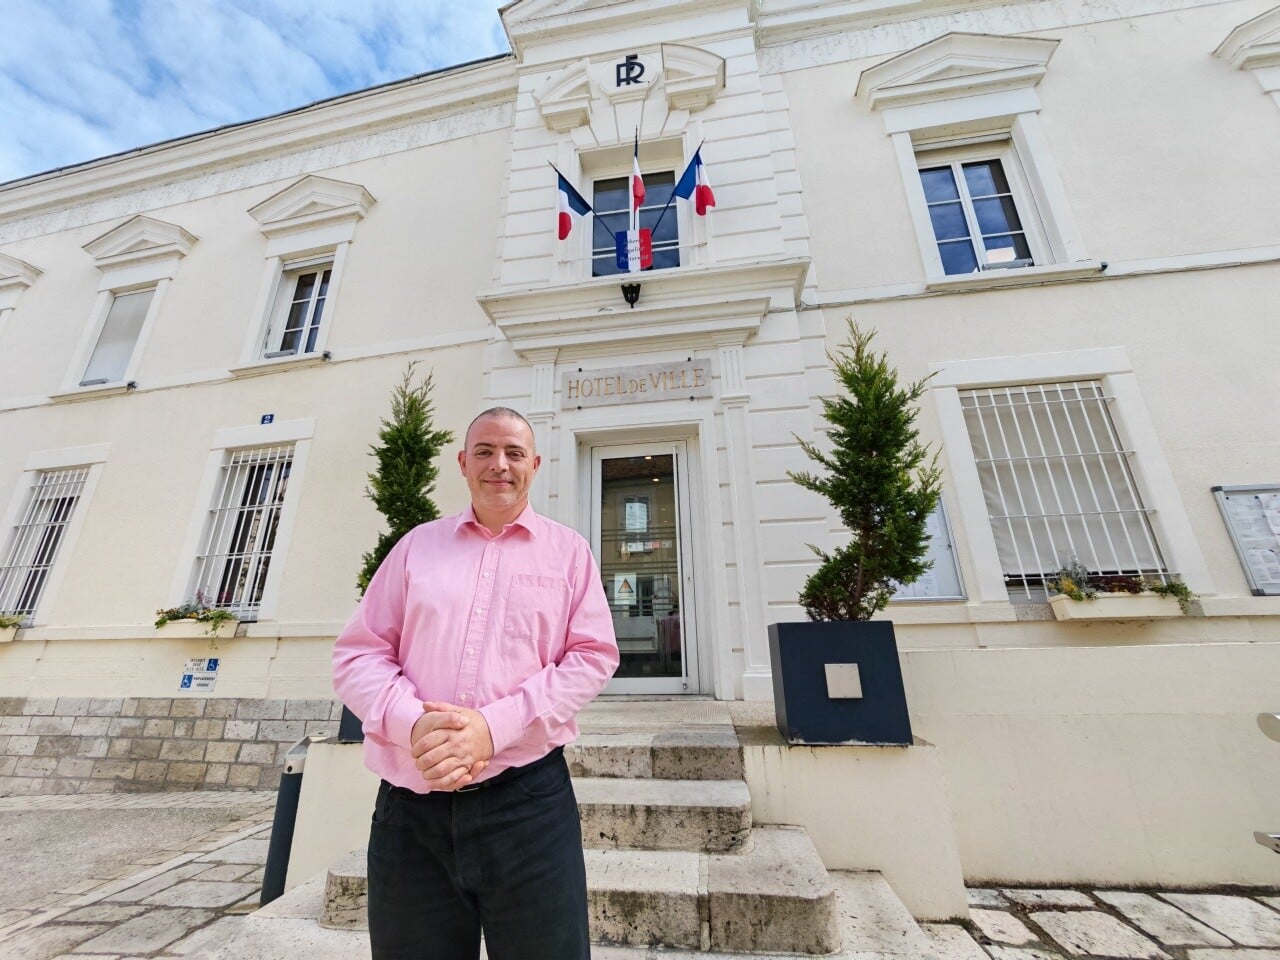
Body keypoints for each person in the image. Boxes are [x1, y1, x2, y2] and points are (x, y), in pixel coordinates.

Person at [333, 407, 619, 960]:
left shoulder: (569, 554)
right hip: (411, 810)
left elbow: (591, 656)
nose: (499, 465)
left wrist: (492, 728)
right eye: (485, 452)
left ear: (535, 465)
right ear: (464, 463)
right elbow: (359, 653)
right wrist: (414, 725)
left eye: (514, 453)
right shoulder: (417, 547)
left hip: (528, 803)